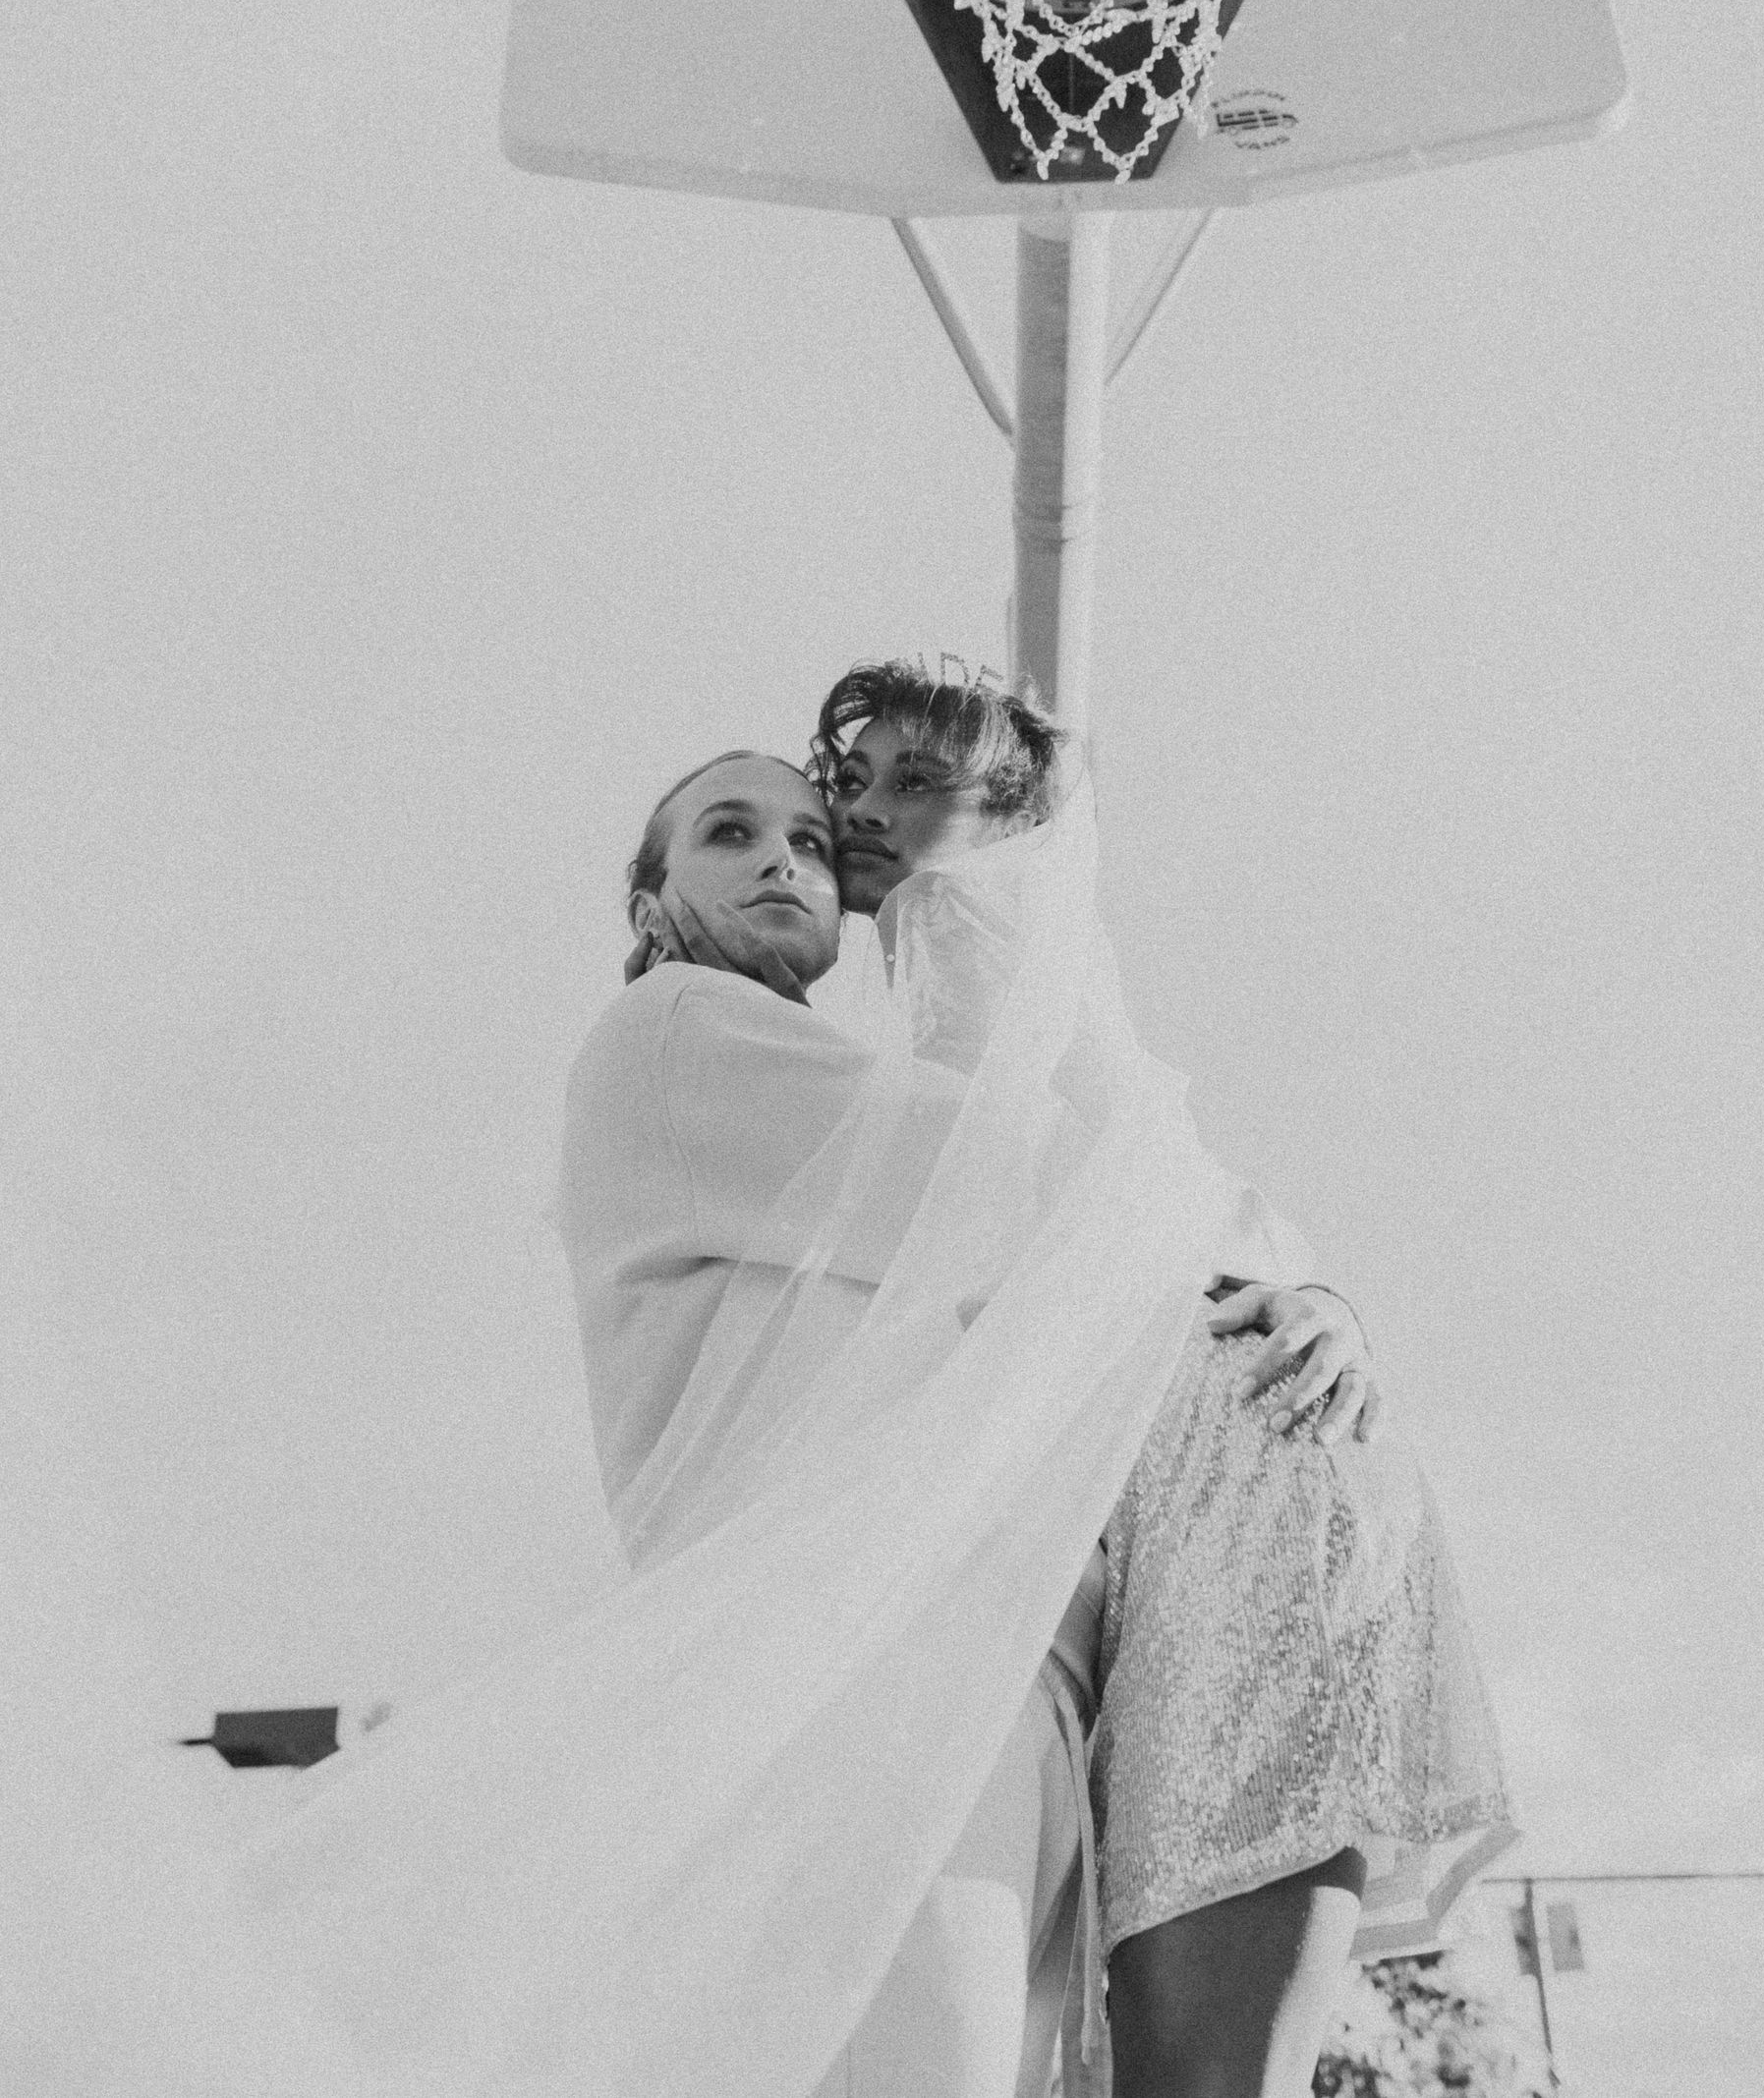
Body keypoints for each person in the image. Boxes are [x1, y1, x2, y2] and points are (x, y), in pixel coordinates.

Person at [611, 661, 1510, 2098]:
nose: (817, 836)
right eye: (744, 826)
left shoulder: (957, 1070)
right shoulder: (686, 1042)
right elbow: (1017, 1206)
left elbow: (1090, 1209)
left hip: (1083, 1639)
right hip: (915, 1667)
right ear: (649, 893)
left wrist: (1312, 1289)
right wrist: (1285, 1274)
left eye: (865, 799)